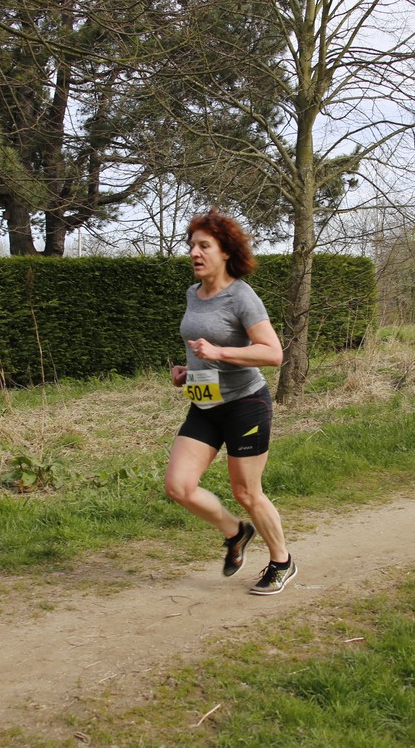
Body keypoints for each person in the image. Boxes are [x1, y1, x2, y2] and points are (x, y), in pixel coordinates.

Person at [165, 209, 296, 595]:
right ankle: (235, 532)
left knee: (246, 492)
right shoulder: (193, 293)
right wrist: (187, 372)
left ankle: (282, 561)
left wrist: (220, 353)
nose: (194, 252)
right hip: (205, 403)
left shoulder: (242, 297)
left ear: (225, 252)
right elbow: (201, 346)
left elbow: (273, 353)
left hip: (245, 404)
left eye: (204, 246)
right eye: (192, 245)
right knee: (178, 486)